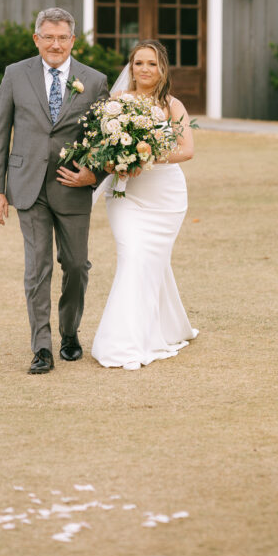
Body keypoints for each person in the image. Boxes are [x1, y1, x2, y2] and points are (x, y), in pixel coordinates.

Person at [0, 8, 109, 374]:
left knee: (75, 265)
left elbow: (105, 137)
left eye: (62, 38)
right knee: (36, 268)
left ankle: (70, 332)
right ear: (36, 38)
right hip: (27, 186)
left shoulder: (95, 80)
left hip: (72, 185)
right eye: (48, 37)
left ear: (73, 40)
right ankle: (41, 346)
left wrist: (94, 174)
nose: (55, 44)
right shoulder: (14, 74)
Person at [91, 40, 198, 370]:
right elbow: (100, 147)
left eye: (152, 63)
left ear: (162, 68)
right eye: (139, 63)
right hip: (126, 196)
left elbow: (187, 149)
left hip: (166, 199)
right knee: (134, 258)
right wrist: (117, 161)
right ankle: (121, 342)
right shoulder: (116, 103)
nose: (145, 69)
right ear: (131, 67)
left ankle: (166, 327)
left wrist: (147, 155)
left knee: (152, 263)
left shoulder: (172, 106)